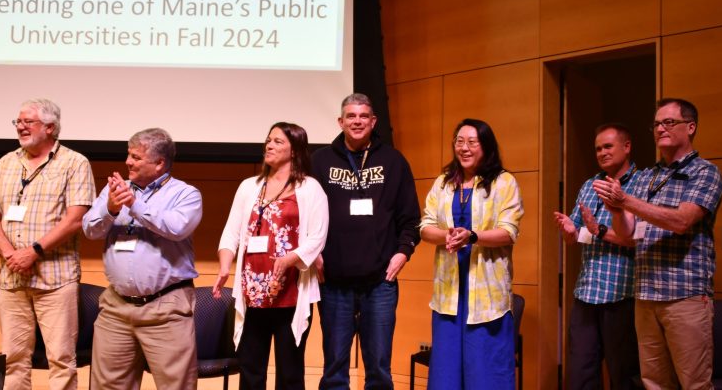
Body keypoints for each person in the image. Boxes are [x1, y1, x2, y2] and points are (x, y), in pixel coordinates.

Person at [593, 98, 722, 389]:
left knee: (695, 383)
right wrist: (616, 210)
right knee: (653, 382)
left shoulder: (705, 172)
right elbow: (628, 234)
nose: (660, 129)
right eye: (656, 124)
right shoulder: (647, 177)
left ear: (690, 127)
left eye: (669, 122)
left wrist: (625, 200)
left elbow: (681, 221)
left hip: (685, 295)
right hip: (645, 294)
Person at [0, 99, 95, 390]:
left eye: (27, 121)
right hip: (12, 278)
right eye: (17, 121)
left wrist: (33, 252)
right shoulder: (6, 162)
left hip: (55, 280)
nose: (20, 126)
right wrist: (11, 254)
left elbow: (75, 219)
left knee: (61, 360)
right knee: (13, 360)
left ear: (50, 127)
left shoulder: (74, 162)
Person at [311, 93, 421, 389]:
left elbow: (411, 218)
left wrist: (403, 253)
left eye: (363, 116)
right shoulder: (319, 162)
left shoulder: (394, 161)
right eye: (351, 116)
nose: (357, 121)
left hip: (380, 282)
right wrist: (313, 255)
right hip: (333, 282)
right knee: (334, 368)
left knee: (379, 369)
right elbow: (304, 216)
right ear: (340, 121)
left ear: (373, 121)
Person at [82, 128, 201, 389]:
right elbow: (90, 229)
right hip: (116, 308)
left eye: (136, 157)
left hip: (165, 308)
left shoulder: (185, 194)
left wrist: (134, 205)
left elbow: (176, 228)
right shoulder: (114, 191)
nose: (128, 162)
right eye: (128, 155)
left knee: (176, 386)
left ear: (159, 164)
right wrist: (111, 209)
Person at [215, 122, 328, 390]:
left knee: (290, 371)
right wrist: (224, 267)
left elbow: (317, 238)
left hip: (290, 293)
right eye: (268, 140)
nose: (269, 145)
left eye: (278, 141)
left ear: (294, 150)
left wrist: (290, 259)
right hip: (252, 292)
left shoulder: (310, 188)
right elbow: (231, 233)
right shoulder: (249, 186)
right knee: (251, 369)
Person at [419, 118, 525, 389]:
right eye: (459, 142)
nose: (464, 148)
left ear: (486, 147)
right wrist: (448, 236)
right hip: (449, 293)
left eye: (472, 142)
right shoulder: (443, 183)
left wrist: (473, 236)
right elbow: (425, 226)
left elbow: (508, 232)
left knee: (486, 372)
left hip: (487, 295)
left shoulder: (504, 182)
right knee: (446, 374)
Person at [553, 124, 641, 389]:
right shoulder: (589, 186)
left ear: (626, 147)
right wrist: (570, 231)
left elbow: (637, 240)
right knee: (580, 375)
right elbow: (580, 233)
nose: (601, 153)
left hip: (623, 294)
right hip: (587, 293)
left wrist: (598, 231)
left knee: (624, 375)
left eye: (608, 146)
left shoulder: (642, 184)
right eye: (598, 149)